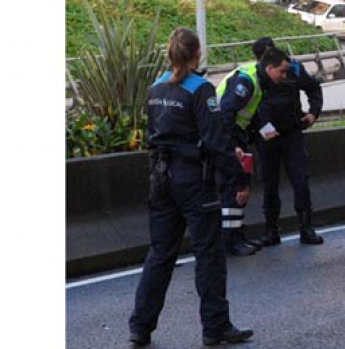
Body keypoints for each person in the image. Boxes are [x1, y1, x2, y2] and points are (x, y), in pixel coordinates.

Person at [128, 27, 254, 347]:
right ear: (197, 54)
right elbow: (215, 141)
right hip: (193, 181)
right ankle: (216, 328)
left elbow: (154, 133)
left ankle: (140, 327)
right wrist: (238, 179)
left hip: (160, 179)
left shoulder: (156, 88)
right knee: (209, 254)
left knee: (160, 254)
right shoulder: (200, 89)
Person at [251, 41, 325, 246]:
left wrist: (313, 113)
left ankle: (306, 227)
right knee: (269, 184)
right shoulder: (253, 75)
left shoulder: (293, 69)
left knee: (300, 180)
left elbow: (313, 88)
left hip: (292, 132)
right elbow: (248, 108)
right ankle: (271, 230)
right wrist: (262, 128)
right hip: (266, 136)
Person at [212, 39, 281, 256]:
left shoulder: (256, 80)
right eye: (282, 72)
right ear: (270, 68)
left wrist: (264, 131)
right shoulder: (248, 81)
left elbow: (250, 115)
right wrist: (233, 146)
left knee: (240, 187)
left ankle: (236, 237)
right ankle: (231, 242)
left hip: (235, 135)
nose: (284, 77)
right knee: (233, 187)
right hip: (228, 137)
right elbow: (226, 113)